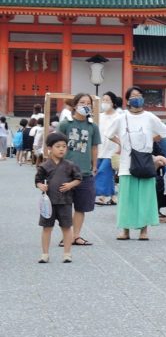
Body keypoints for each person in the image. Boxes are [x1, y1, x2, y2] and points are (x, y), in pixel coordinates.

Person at [114, 87, 166, 241]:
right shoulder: (121, 117)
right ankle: (125, 230)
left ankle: (144, 230)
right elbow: (108, 133)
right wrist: (121, 142)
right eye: (133, 96)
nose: (137, 98)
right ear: (127, 100)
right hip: (127, 164)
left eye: (139, 95)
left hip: (145, 162)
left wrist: (150, 140)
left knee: (145, 198)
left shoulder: (149, 117)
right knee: (127, 199)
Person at [58, 93, 102, 247]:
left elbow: (94, 147)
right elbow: (56, 145)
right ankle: (66, 236)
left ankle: (76, 236)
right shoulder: (65, 124)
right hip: (65, 171)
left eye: (88, 103)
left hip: (84, 172)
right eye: (82, 102)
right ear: (75, 105)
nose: (85, 106)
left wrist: (94, 165)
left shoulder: (93, 126)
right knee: (64, 206)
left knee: (81, 206)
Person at [36, 132, 82, 264]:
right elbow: (38, 180)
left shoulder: (70, 165)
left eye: (64, 146)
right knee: (46, 228)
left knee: (66, 227)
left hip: (65, 201)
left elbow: (78, 179)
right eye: (58, 146)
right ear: (49, 148)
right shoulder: (44, 166)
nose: (61, 149)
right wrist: (41, 186)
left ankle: (67, 254)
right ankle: (45, 254)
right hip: (48, 202)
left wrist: (70, 184)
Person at [96, 92, 124, 206]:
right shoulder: (99, 116)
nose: (104, 102)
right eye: (103, 100)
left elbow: (121, 133)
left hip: (113, 150)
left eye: (107, 100)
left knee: (103, 172)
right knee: (107, 173)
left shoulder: (118, 117)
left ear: (113, 102)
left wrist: (120, 147)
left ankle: (103, 196)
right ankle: (113, 196)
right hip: (100, 149)